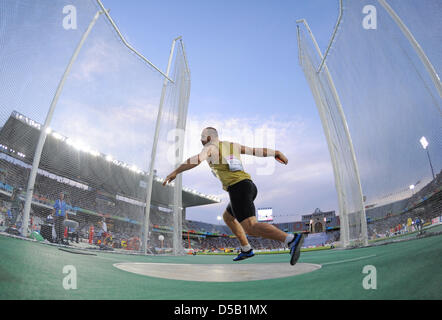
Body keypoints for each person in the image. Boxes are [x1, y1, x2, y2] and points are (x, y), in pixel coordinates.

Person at [163, 127, 305, 265]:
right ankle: (246, 248)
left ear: (208, 137)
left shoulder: (210, 147)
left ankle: (291, 239)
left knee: (251, 227)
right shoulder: (233, 145)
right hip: (248, 186)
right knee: (228, 217)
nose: (201, 141)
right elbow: (255, 151)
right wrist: (276, 152)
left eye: (202, 138)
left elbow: (196, 159)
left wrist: (176, 172)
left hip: (238, 188)